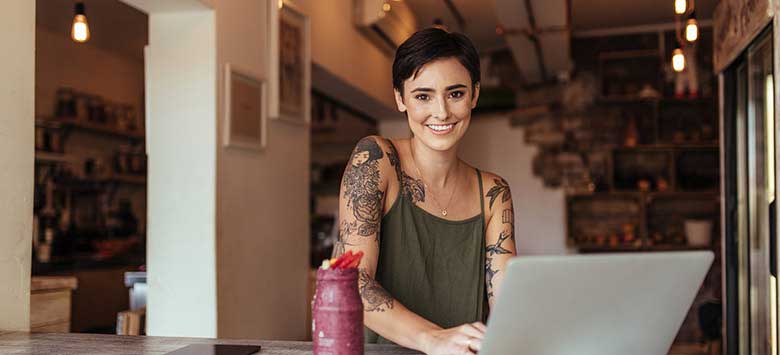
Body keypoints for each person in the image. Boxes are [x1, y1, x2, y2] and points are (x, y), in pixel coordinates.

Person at [334, 27, 517, 355]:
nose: (442, 112)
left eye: (456, 94)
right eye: (423, 96)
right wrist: (433, 339)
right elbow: (350, 281)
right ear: (400, 99)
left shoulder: (493, 191)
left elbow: (507, 305)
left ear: (474, 94)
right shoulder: (376, 159)